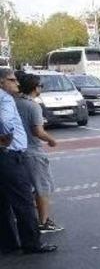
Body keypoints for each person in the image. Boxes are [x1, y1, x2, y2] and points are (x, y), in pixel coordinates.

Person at [0, 68, 57, 254]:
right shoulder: (5, 98)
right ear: (1, 82)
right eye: (12, 80)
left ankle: (8, 243)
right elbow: (6, 122)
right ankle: (32, 243)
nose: (16, 83)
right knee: (24, 201)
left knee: (3, 203)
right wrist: (5, 138)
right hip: (10, 155)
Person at [15, 74, 61, 233]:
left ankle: (22, 219)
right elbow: (37, 131)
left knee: (24, 188)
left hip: (16, 151)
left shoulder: (14, 102)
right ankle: (43, 222)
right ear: (35, 88)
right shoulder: (33, 106)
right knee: (42, 187)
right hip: (33, 152)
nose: (41, 88)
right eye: (40, 85)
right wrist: (51, 140)